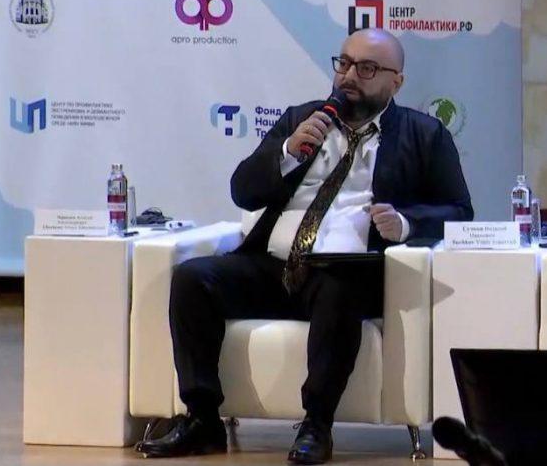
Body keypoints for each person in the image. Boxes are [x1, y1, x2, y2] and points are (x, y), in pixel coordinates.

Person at [137, 28, 473, 464]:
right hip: (274, 266)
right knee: (193, 278)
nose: (349, 76)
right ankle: (202, 419)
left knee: (340, 285)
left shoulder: (424, 135)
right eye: (344, 63)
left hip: (347, 275)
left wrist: (406, 224)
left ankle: (317, 424)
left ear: (396, 82)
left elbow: (459, 211)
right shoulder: (302, 119)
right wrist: (286, 152)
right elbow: (243, 191)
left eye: (366, 68)